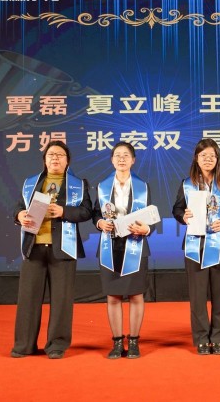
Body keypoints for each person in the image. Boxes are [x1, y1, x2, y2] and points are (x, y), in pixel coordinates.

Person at [12, 140, 92, 359]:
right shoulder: (31, 183)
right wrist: (19, 215)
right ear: (44, 160)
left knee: (62, 301)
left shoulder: (78, 184)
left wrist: (64, 211)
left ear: (68, 161)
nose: (55, 158)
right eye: (51, 155)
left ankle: (56, 345)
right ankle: (24, 345)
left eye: (60, 155)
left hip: (63, 248)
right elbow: (18, 207)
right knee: (28, 299)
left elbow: (86, 212)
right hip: (34, 247)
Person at [172, 139, 220, 355]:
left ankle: (218, 338)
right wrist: (183, 216)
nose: (208, 159)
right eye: (203, 155)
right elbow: (177, 210)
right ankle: (201, 339)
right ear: (196, 158)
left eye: (212, 155)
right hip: (195, 245)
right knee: (198, 296)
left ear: (218, 159)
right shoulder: (186, 184)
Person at [93, 142, 155, 359]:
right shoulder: (102, 187)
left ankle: (134, 341)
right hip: (110, 247)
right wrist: (99, 223)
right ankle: (117, 342)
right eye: (117, 155)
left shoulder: (143, 187)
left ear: (133, 160)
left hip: (135, 246)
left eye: (126, 155)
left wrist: (147, 229)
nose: (121, 159)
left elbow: (151, 216)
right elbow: (96, 213)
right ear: (112, 160)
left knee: (136, 296)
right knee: (113, 297)